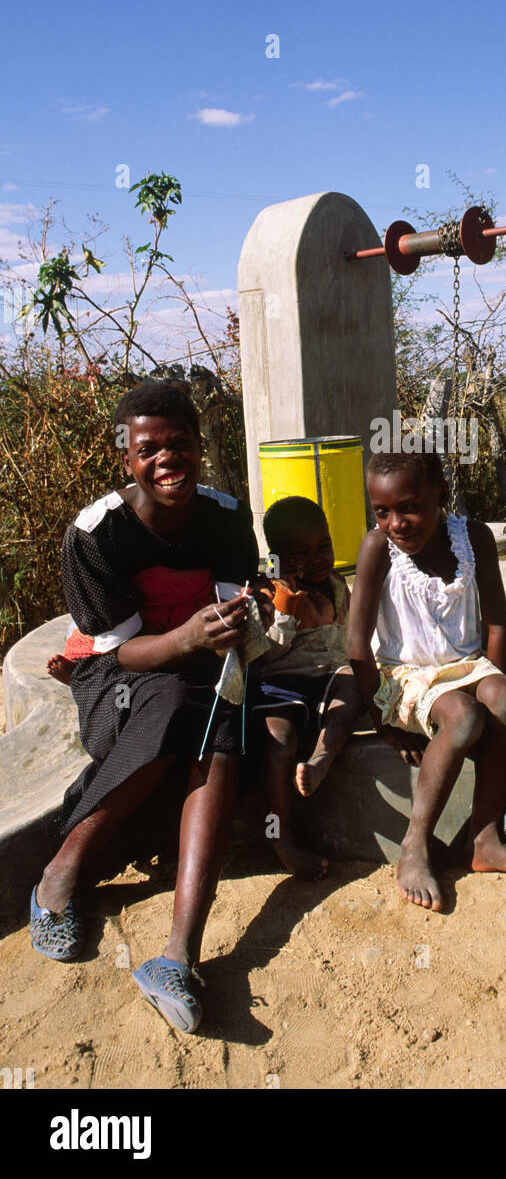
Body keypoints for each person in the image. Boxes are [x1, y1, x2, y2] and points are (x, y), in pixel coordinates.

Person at [30, 382, 276, 1033]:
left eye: (180, 444)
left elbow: (232, 622)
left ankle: (178, 958)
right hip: (116, 680)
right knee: (170, 699)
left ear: (198, 447)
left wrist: (254, 623)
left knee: (221, 719)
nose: (167, 459)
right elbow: (117, 656)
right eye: (149, 449)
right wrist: (189, 637)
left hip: (200, 669)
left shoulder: (224, 517)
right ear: (125, 457)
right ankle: (61, 872)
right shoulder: (97, 535)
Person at [347, 451, 506, 912]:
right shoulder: (376, 549)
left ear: (440, 497)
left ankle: (484, 836)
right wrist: (381, 721)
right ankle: (415, 844)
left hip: (465, 666)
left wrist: (494, 690)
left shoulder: (474, 538)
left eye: (410, 507)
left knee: (504, 694)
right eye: (382, 511)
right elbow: (357, 644)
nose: (396, 523)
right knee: (462, 718)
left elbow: (497, 624)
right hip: (407, 674)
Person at [250, 495, 361, 879]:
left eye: (324, 546)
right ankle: (280, 837)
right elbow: (264, 656)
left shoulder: (336, 584)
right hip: (278, 686)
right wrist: (285, 609)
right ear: (276, 557)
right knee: (279, 741)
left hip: (326, 679)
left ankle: (321, 759)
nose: (316, 559)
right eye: (301, 553)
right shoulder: (268, 594)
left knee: (351, 683)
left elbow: (344, 639)